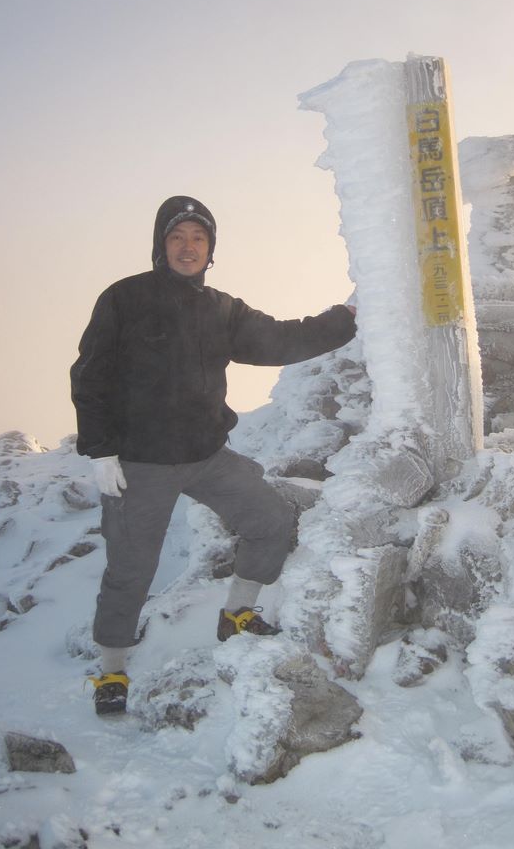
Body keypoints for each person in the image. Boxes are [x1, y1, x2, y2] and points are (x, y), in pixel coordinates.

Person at [71, 195, 356, 715]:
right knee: (131, 569)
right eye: (178, 237)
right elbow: (90, 376)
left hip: (207, 455)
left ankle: (237, 614)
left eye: (198, 238)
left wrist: (347, 319)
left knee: (270, 521)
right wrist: (100, 451)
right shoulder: (124, 298)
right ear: (161, 244)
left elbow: (281, 339)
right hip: (139, 463)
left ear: (211, 248)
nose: (188, 247)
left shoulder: (222, 309)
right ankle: (112, 669)